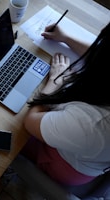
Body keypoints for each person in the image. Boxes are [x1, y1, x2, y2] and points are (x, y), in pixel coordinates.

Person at [22, 22, 110, 186]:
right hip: (89, 154)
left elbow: (31, 121)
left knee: (10, 129)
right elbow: (101, 56)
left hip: (64, 164)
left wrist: (55, 81)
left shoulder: (94, 125)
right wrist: (66, 38)